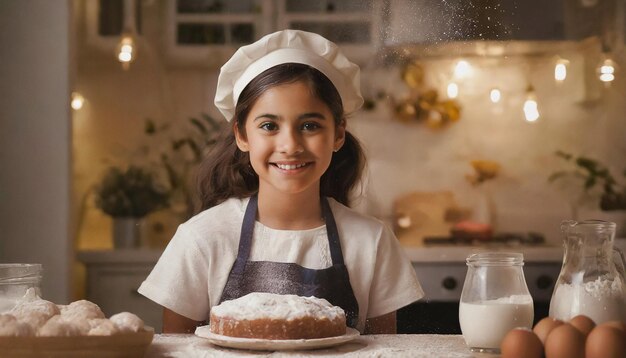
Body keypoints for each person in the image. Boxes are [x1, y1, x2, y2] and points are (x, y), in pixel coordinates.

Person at [138, 29, 424, 334]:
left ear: (338, 134)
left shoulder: (372, 242)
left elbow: (390, 351)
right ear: (242, 135)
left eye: (310, 125)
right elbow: (178, 351)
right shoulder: (202, 239)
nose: (290, 145)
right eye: (269, 125)